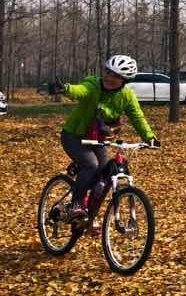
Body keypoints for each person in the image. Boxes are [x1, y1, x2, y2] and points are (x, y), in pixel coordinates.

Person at [47, 55, 158, 225]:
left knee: (103, 174)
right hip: (74, 136)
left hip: (97, 140)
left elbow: (137, 117)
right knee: (91, 165)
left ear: (124, 80)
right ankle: (75, 206)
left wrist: (149, 137)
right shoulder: (93, 84)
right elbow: (80, 90)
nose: (109, 77)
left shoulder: (126, 96)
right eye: (108, 72)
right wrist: (65, 89)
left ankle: (88, 218)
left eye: (116, 76)